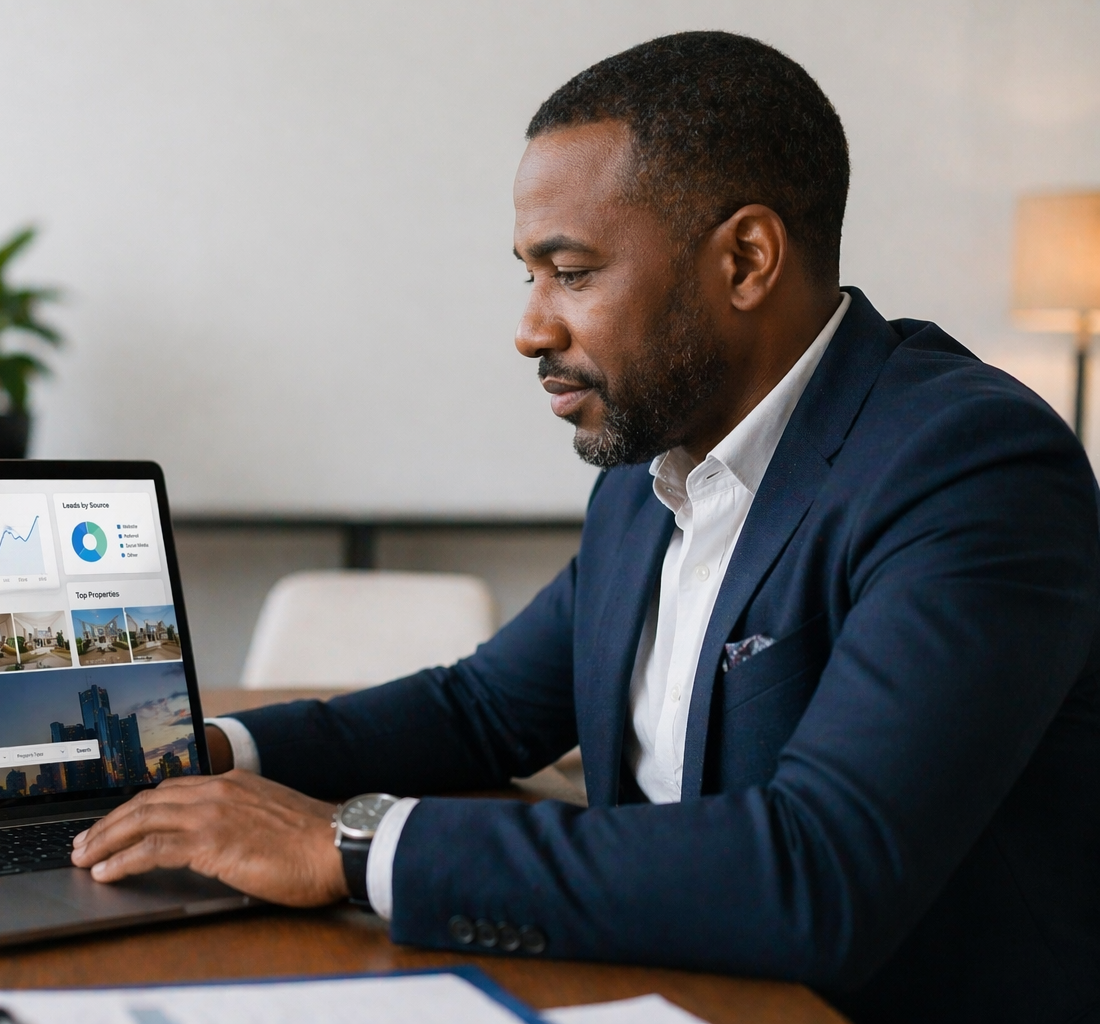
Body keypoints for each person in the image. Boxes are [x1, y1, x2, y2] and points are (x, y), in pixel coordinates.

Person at [72, 31, 1100, 1024]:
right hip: (659, 983)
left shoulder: (970, 469)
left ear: (745, 260)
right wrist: (213, 756)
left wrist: (351, 844)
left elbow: (818, 868)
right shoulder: (655, 465)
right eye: (529, 274)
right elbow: (483, 709)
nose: (530, 326)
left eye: (571, 272)